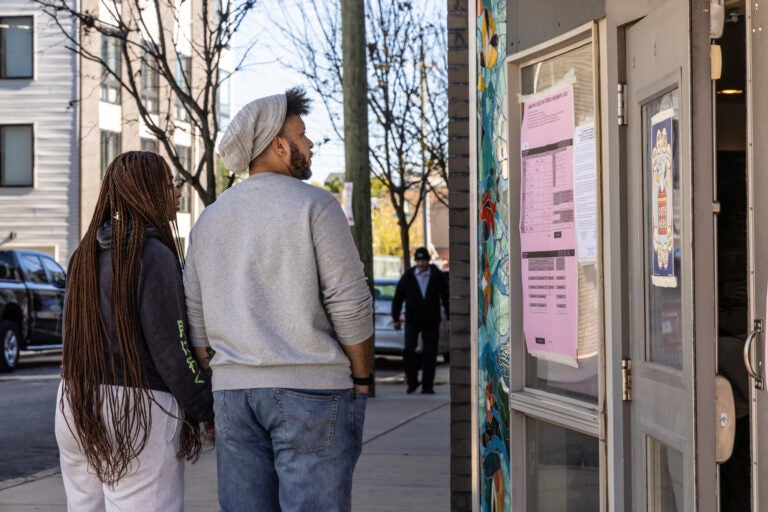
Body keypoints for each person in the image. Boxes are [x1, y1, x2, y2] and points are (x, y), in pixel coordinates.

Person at [183, 87, 374, 512]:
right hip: (311, 390)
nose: (309, 144)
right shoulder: (317, 206)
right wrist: (361, 379)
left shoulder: (209, 220)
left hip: (233, 393)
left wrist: (225, 368)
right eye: (302, 135)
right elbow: (351, 303)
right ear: (279, 145)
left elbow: (195, 321)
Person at [55, 151, 214, 511]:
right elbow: (172, 351)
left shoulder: (83, 255)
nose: (176, 194)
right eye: (169, 185)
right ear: (147, 192)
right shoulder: (153, 255)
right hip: (138, 410)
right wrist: (207, 409)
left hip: (75, 403)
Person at [392, 247, 449, 394]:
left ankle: (427, 385)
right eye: (418, 260)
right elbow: (398, 297)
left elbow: (446, 296)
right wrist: (396, 317)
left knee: (430, 353)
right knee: (408, 350)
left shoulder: (437, 275)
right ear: (415, 261)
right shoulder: (409, 276)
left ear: (428, 261)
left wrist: (449, 318)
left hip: (431, 320)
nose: (421, 264)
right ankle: (412, 382)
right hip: (412, 319)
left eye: (423, 260)